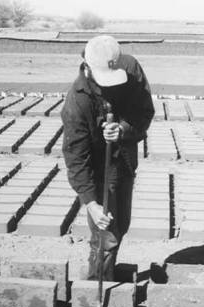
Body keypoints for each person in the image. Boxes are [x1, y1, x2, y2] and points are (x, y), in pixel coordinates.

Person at [62, 35, 154, 281]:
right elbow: (75, 156)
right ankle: (95, 288)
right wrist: (91, 203)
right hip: (99, 169)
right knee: (105, 236)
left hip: (124, 161)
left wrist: (123, 129)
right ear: (88, 66)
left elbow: (145, 112)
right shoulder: (77, 102)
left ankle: (108, 275)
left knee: (121, 225)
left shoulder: (131, 69)